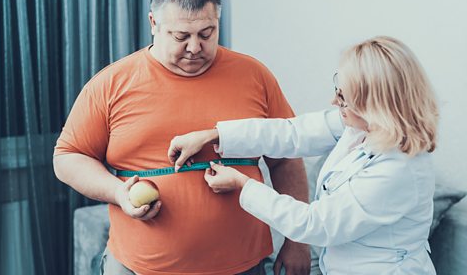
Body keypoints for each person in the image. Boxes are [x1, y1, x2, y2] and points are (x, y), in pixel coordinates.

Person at [53, 0, 311, 275]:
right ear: (153, 24)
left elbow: (286, 158)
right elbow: (68, 157)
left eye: (206, 34)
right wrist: (117, 192)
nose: (194, 47)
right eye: (181, 36)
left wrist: (298, 241)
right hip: (139, 267)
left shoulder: (254, 75)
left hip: (243, 265)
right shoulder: (111, 84)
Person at [168, 36, 439, 274]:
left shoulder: (398, 168)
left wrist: (243, 186)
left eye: (345, 97)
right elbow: (291, 133)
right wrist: (214, 135)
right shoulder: (363, 127)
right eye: (338, 89)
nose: (335, 102)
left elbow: (316, 224)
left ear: (375, 105)